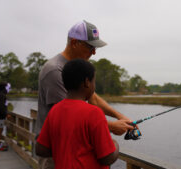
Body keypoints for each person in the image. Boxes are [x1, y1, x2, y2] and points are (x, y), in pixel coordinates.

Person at [35, 20, 134, 168]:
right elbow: (70, 117)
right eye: (90, 47)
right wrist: (112, 129)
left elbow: (92, 98)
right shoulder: (55, 70)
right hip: (57, 153)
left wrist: (120, 117)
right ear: (74, 42)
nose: (94, 52)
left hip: (73, 151)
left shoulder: (77, 71)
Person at [36, 59, 119, 169]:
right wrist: (115, 145)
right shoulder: (94, 113)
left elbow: (41, 149)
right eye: (94, 81)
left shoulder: (55, 110)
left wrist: (65, 149)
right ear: (87, 82)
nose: (94, 86)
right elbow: (106, 158)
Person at [0, 82, 11, 151]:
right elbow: (1, 107)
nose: (8, 89)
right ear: (4, 88)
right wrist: (6, 114)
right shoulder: (2, 96)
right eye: (7, 88)